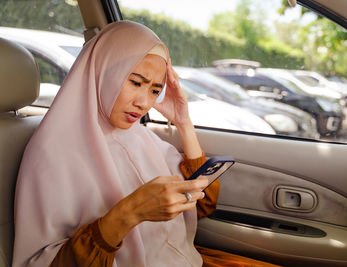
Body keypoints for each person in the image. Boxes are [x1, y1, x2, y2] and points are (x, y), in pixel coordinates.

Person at [13, 21, 279, 267]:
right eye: (135, 82)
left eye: (154, 90)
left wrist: (184, 122)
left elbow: (203, 205)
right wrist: (130, 212)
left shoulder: (141, 136)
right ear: (102, 73)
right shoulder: (52, 153)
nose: (144, 102)